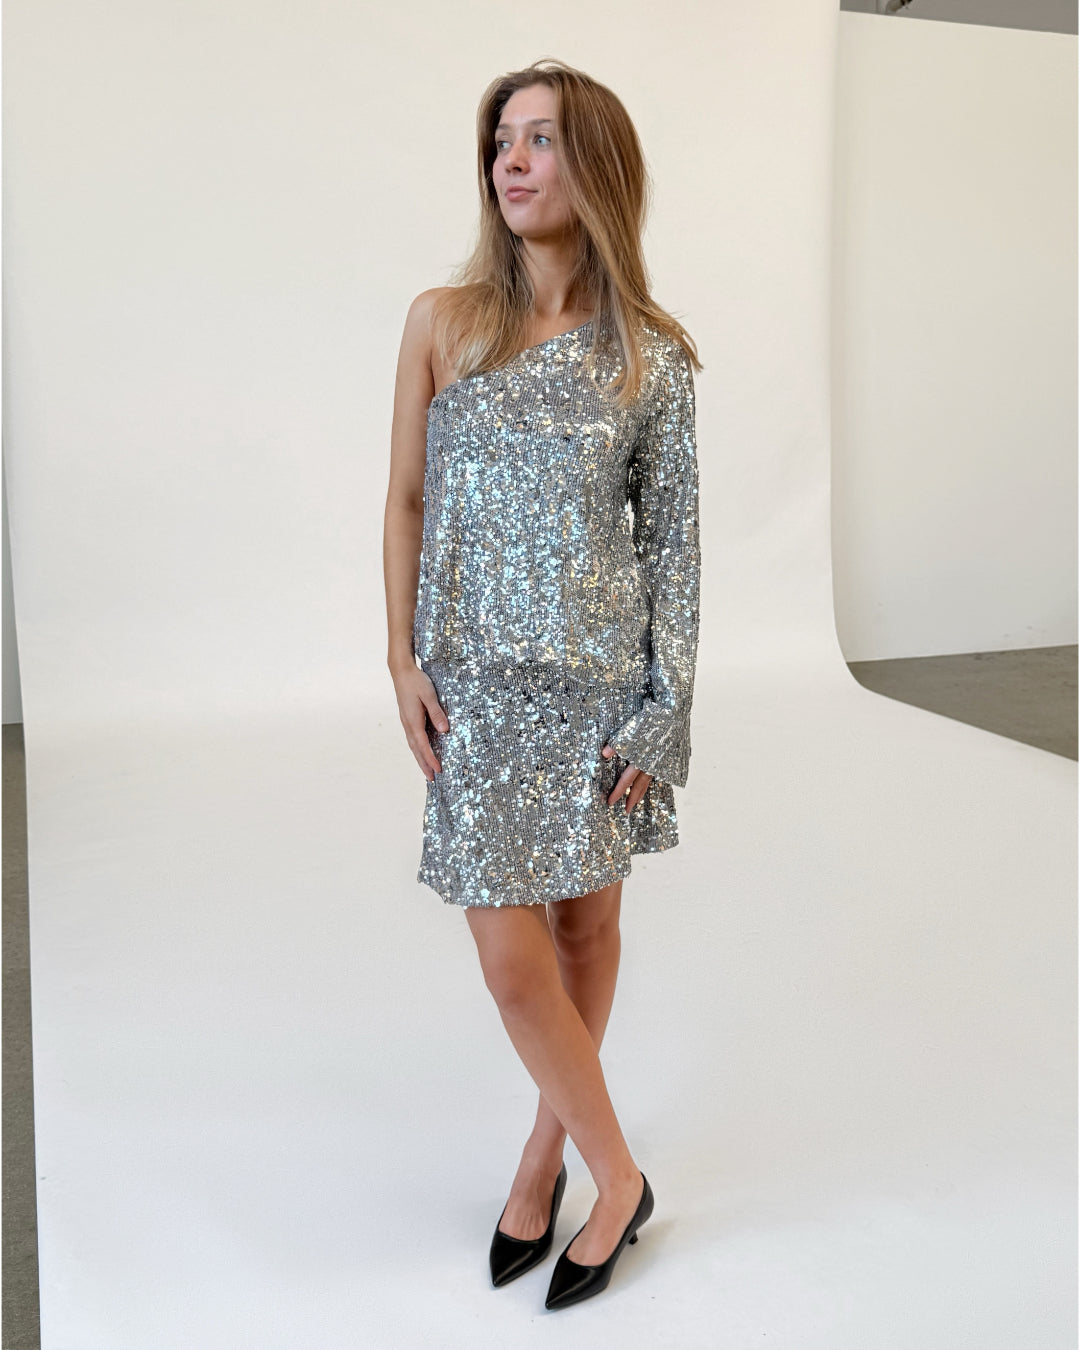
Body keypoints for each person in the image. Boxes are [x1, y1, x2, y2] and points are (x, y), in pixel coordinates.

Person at [382, 57, 702, 1311]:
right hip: (475, 694)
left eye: (541, 139)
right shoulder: (442, 322)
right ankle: (620, 1179)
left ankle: (543, 1156)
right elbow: (407, 501)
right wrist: (401, 657)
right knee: (515, 966)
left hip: (598, 696)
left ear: (598, 166)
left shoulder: (649, 361)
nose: (511, 161)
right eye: (501, 140)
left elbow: (672, 552)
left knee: (585, 933)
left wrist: (665, 714)